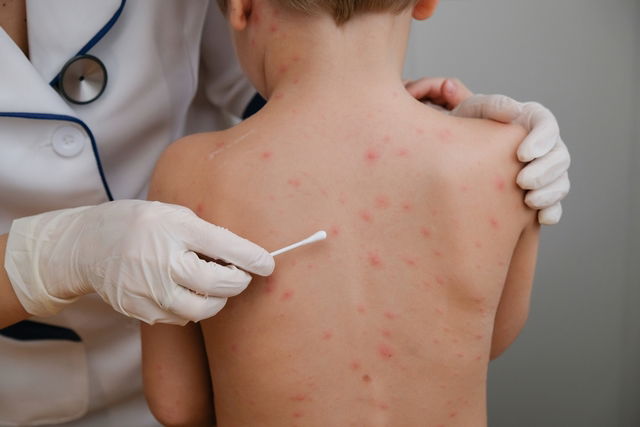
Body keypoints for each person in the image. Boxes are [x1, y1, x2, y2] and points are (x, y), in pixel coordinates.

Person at [0, 0, 568, 425]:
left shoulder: (193, 171)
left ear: (241, 8)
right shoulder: (502, 157)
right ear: (425, 2)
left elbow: (178, 405)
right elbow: (489, 337)